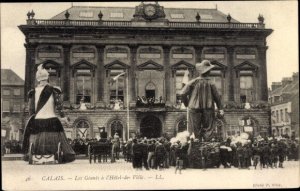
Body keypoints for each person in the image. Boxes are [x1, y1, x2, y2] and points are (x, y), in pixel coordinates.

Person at [22, 64, 75, 164]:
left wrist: (31, 119)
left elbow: (31, 110)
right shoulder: (54, 90)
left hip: (37, 121)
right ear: (47, 78)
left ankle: (34, 154)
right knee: (58, 138)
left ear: (38, 80)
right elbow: (59, 106)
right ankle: (55, 154)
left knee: (35, 138)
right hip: (52, 120)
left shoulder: (32, 92)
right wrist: (64, 118)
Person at [179, 60, 224, 141]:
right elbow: (217, 97)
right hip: (208, 108)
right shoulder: (211, 83)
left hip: (193, 109)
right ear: (208, 71)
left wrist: (187, 104)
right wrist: (220, 108)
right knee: (208, 130)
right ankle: (207, 147)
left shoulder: (193, 82)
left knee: (195, 131)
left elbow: (182, 94)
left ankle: (196, 147)